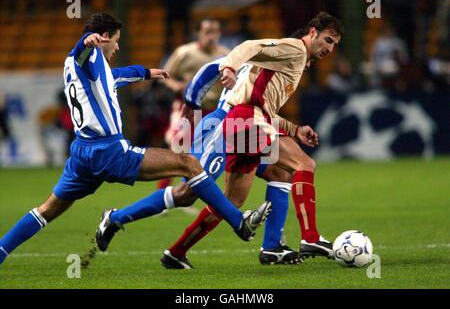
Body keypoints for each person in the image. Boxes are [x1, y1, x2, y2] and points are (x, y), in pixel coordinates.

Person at [0, 13, 271, 266]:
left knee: (47, 210)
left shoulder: (78, 67)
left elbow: (115, 77)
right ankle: (238, 222)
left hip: (81, 153)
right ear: (104, 36)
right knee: (188, 164)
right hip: (109, 150)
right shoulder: (88, 55)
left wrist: (145, 72)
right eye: (115, 41)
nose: (117, 48)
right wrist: (87, 41)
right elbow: (82, 51)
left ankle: (1, 251)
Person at [96, 58, 301, 268]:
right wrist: (192, 102)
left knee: (280, 173)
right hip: (223, 125)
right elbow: (209, 69)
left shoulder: (279, 66)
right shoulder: (264, 55)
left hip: (249, 128)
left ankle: (272, 247)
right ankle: (116, 218)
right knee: (186, 193)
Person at [216, 11, 342, 260]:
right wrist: (228, 66)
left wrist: (295, 130)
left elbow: (265, 108)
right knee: (304, 164)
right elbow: (251, 45)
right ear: (313, 32)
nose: (330, 48)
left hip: (242, 120)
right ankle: (310, 238)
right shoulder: (295, 49)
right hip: (241, 119)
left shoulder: (291, 64)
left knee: (232, 200)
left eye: (335, 45)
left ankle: (177, 251)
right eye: (328, 40)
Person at [158, 18, 230, 191]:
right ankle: (162, 191)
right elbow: (164, 75)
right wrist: (176, 86)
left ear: (219, 33)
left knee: (208, 152)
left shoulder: (227, 55)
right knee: (176, 147)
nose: (211, 36)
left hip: (214, 110)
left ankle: (189, 190)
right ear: (199, 33)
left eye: (214, 32)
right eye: (207, 32)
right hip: (188, 108)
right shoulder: (184, 52)